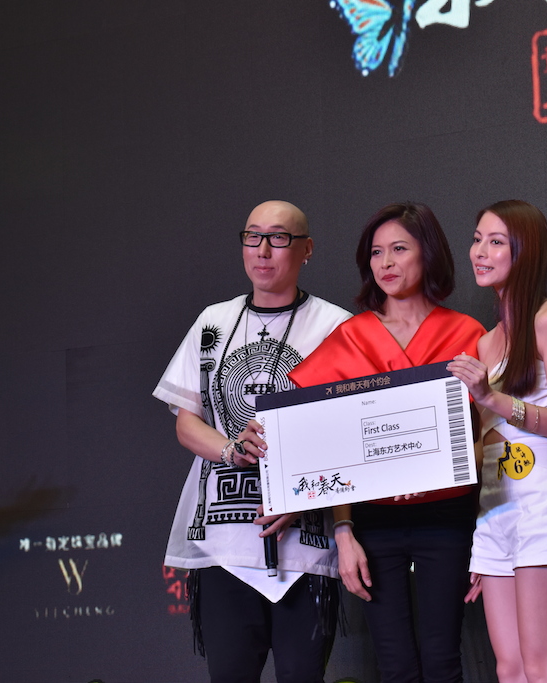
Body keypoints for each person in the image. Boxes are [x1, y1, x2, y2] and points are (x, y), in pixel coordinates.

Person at [153, 200, 351, 683]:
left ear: (307, 249)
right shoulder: (213, 322)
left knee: (303, 674)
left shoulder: (336, 326)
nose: (263, 250)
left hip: (306, 543)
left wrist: (304, 495)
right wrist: (229, 449)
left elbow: (350, 432)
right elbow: (187, 423)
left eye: (279, 238)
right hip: (224, 542)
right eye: (252, 236)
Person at [288, 202, 485, 683]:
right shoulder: (350, 337)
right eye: (376, 253)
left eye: (399, 249)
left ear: (428, 253)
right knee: (394, 665)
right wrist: (343, 530)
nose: (386, 263)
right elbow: (326, 447)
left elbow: (488, 438)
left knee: (443, 660)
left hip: (447, 516)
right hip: (372, 522)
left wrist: (488, 535)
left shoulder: (468, 334)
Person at [447, 200, 547, 683]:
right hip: (495, 512)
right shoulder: (486, 342)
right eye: (477, 239)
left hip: (541, 506)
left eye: (496, 242)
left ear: (524, 251)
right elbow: (490, 441)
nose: (480, 252)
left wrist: (492, 397)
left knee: (544, 667)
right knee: (511, 669)